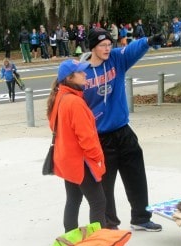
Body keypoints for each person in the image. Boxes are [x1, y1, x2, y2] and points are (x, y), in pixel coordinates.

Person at [80, 27, 162, 232]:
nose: (108, 48)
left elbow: (133, 49)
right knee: (105, 185)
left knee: (136, 175)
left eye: (109, 44)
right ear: (92, 47)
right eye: (102, 45)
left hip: (123, 131)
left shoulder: (117, 59)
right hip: (99, 137)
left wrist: (148, 40)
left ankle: (141, 218)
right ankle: (110, 224)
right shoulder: (81, 73)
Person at [46, 59, 106, 232]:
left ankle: (69, 238)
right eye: (80, 72)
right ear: (70, 78)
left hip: (67, 160)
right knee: (98, 202)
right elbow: (86, 138)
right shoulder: (75, 102)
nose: (85, 74)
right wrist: (98, 158)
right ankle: (98, 244)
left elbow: (54, 126)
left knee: (73, 199)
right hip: (81, 162)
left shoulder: (59, 97)